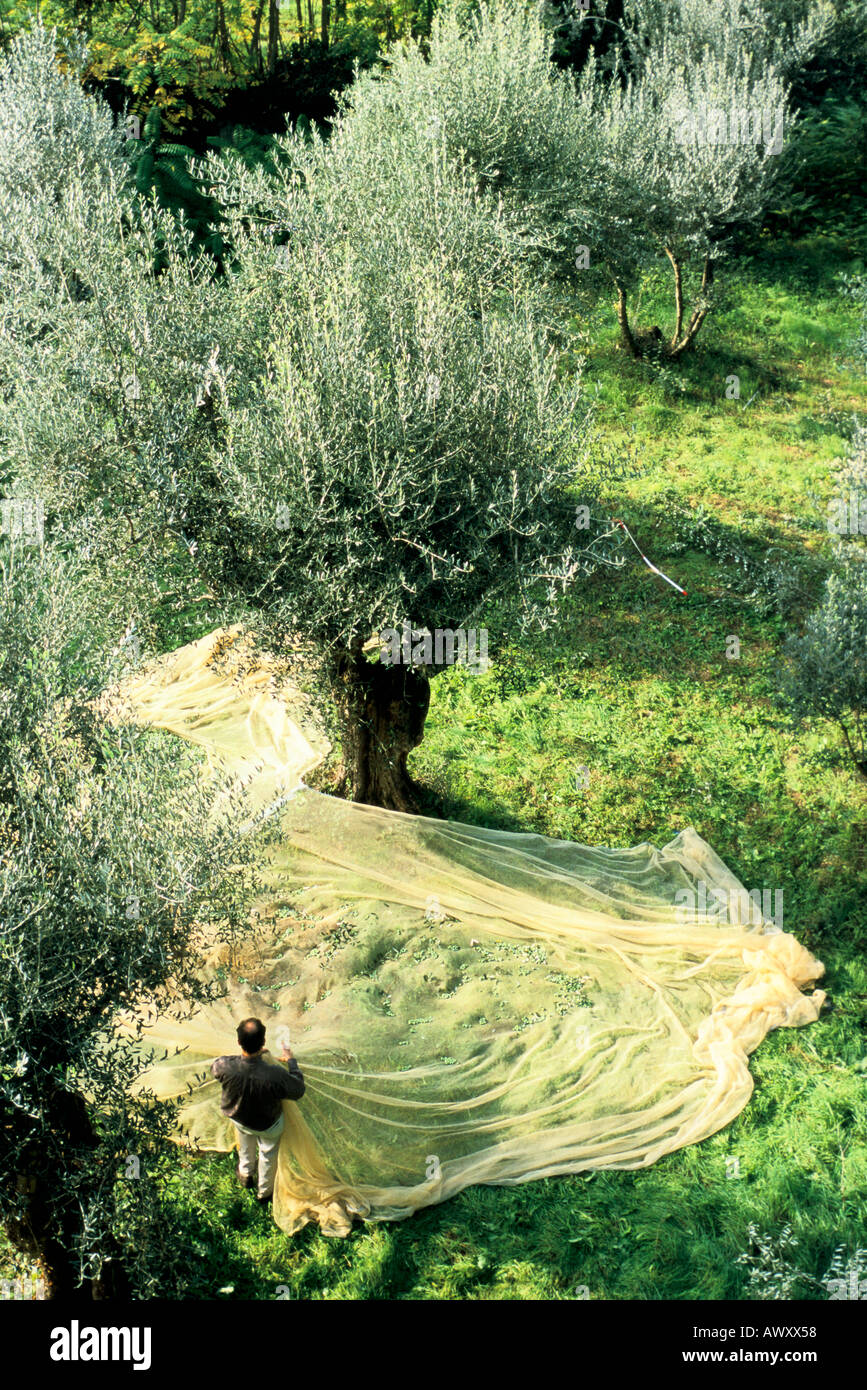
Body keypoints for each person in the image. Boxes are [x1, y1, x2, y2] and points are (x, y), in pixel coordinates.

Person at [211, 1018, 305, 1204]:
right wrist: (292, 1062)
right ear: (263, 1042)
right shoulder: (275, 1075)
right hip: (268, 1124)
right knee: (268, 1155)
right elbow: (298, 1090)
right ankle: (264, 1193)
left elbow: (216, 1070)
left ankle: (245, 1175)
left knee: (245, 1146)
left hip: (240, 1117)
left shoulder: (224, 1065)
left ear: (238, 1042)